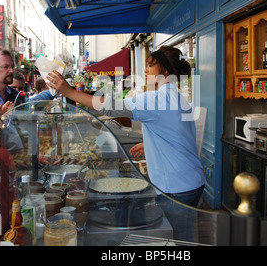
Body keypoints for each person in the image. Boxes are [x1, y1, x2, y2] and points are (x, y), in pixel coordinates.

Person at [47, 45, 206, 241]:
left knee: (176, 240)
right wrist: (149, 145)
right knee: (184, 237)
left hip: (176, 187)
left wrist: (69, 92)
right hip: (192, 180)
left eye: (150, 65)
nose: (145, 71)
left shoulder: (157, 98)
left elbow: (110, 107)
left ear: (164, 71)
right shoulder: (178, 98)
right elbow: (180, 136)